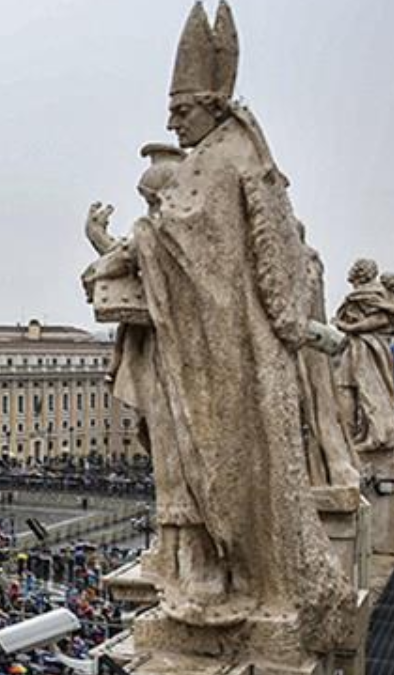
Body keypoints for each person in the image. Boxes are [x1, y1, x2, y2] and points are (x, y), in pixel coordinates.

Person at [84, 1, 351, 643]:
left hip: (222, 350)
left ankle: (230, 576)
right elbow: (173, 236)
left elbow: (187, 240)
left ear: (212, 105)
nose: (172, 121)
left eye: (181, 110)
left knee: (216, 461)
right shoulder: (219, 157)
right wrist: (119, 248)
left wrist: (123, 246)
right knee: (198, 460)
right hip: (207, 345)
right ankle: (215, 569)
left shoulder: (227, 159)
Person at [333, 259, 394, 453]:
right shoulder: (369, 293)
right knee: (344, 385)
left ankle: (379, 435)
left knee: (371, 389)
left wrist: (347, 327)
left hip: (367, 347)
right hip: (356, 346)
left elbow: (381, 319)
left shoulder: (371, 294)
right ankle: (352, 435)